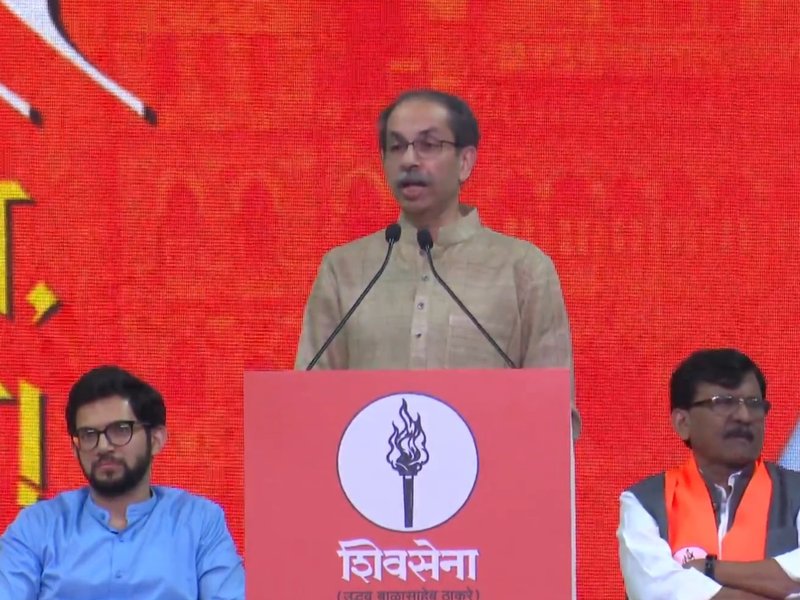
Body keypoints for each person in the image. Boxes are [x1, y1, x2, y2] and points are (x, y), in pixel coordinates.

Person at [295, 88, 580, 438]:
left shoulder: (523, 269)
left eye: (428, 145)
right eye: (396, 147)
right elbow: (307, 407)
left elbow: (553, 416)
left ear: (465, 162)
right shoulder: (344, 271)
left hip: (492, 470)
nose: (409, 160)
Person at [0, 366, 245, 600]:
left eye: (120, 429)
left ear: (156, 439)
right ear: (75, 449)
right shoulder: (38, 525)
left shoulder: (199, 521)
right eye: (89, 435)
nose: (103, 446)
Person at [618, 348, 800, 599]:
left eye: (754, 404)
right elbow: (657, 593)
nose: (744, 416)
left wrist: (709, 568)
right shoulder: (644, 503)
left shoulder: (794, 493)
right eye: (723, 403)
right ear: (683, 423)